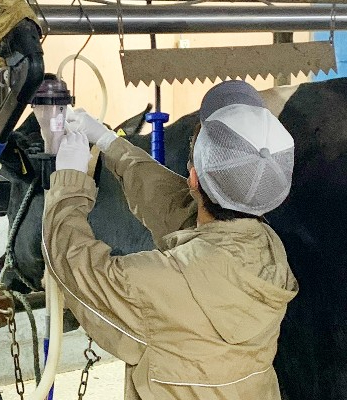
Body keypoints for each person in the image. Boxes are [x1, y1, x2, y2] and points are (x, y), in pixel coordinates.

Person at [42, 80, 299, 400]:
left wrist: (69, 182)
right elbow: (173, 203)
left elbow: (71, 262)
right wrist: (110, 143)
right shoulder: (269, 249)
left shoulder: (158, 284)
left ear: (192, 177)